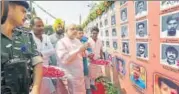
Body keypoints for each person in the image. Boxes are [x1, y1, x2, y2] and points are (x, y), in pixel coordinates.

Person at [1, 1, 43, 94]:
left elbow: (37, 63)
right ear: (8, 9)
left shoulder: (26, 36)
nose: (26, 16)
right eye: (23, 11)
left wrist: (36, 88)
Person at [56, 24, 89, 94]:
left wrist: (86, 52)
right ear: (66, 31)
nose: (75, 31)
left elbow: (81, 54)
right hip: (69, 77)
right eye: (72, 29)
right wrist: (79, 50)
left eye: (75, 29)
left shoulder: (77, 41)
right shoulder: (61, 42)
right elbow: (64, 59)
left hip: (79, 75)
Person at [30, 17, 56, 94]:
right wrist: (40, 55)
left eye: (42, 25)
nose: (41, 28)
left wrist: (41, 54)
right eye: (38, 26)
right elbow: (31, 55)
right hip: (34, 73)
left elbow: (52, 51)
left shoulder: (46, 37)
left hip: (46, 71)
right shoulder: (28, 37)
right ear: (31, 26)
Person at [76, 27, 91, 94]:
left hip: (84, 60)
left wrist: (87, 53)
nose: (81, 34)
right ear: (76, 33)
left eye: (82, 33)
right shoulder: (73, 41)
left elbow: (89, 50)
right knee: (78, 76)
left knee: (86, 73)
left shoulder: (85, 40)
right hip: (76, 61)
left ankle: (88, 88)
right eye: (80, 33)